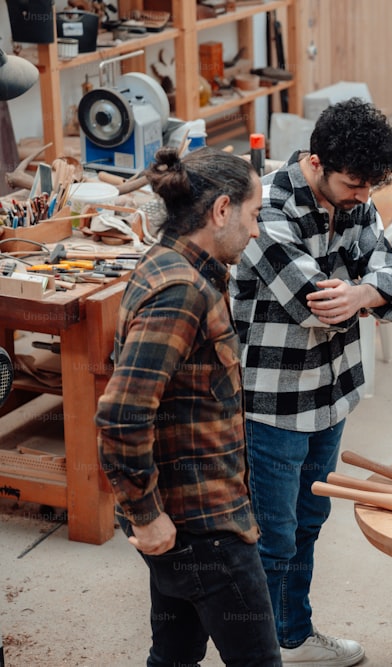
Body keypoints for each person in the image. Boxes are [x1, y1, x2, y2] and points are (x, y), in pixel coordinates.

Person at [231, 97, 392, 667]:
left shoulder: (355, 193)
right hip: (275, 401)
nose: (363, 197)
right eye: (355, 184)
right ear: (315, 161)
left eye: (369, 187)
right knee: (271, 538)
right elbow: (313, 306)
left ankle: (294, 636)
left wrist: (359, 291)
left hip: (332, 392)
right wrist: (361, 292)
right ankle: (256, 653)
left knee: (310, 520)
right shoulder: (266, 205)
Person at [96, 147, 281, 666]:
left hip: (188, 525)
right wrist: (145, 515)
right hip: (206, 533)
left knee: (173, 656)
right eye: (253, 215)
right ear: (221, 210)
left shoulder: (170, 264)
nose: (257, 231)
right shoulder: (181, 291)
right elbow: (121, 414)